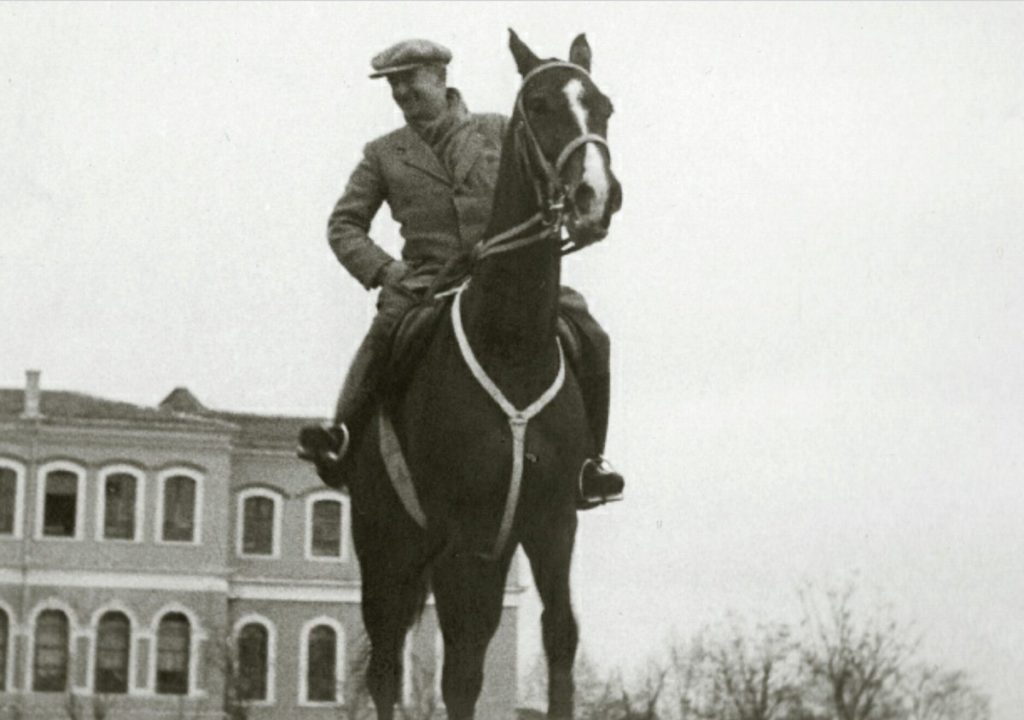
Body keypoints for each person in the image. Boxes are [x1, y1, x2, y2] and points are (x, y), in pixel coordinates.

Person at [298, 39, 623, 508]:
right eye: (394, 83)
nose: (401, 91)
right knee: (385, 334)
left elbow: (552, 178)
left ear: (440, 77)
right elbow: (343, 226)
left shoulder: (499, 130)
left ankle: (591, 463)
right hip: (426, 282)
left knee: (591, 334)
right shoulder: (382, 154)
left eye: (410, 79)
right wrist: (385, 270)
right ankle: (341, 435)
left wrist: (579, 211)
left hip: (507, 273)